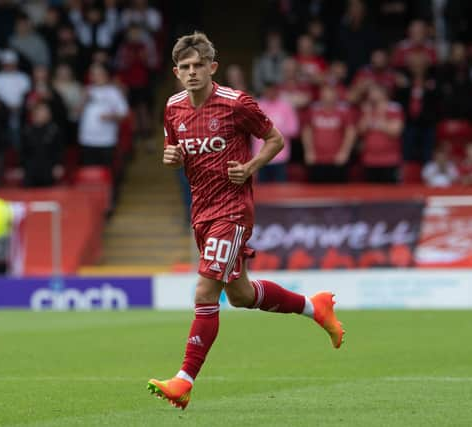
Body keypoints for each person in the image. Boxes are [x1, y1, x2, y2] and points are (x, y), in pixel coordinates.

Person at [147, 31, 344, 410]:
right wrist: (171, 157)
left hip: (233, 210)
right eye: (184, 67)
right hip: (201, 211)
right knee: (240, 295)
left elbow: (275, 139)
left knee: (206, 293)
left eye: (198, 66)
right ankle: (314, 307)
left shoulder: (236, 104)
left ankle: (183, 380)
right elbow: (174, 148)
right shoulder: (173, 108)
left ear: (212, 67)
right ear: (176, 71)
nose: (191, 73)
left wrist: (251, 166)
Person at [302, 84, 356, 183]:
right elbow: (307, 131)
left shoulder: (343, 111)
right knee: (316, 192)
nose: (327, 98)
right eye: (325, 95)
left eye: (330, 95)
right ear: (321, 96)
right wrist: (309, 151)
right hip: (317, 158)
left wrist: (345, 152)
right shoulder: (313, 110)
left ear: (335, 96)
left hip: (337, 159)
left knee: (339, 192)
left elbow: (350, 132)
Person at [78, 63, 129, 166]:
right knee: (89, 173)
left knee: (105, 173)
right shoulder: (87, 91)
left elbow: (124, 114)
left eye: (99, 74)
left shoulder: (114, 92)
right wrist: (83, 100)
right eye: (93, 74)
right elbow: (76, 114)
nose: (96, 76)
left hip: (106, 140)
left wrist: (111, 116)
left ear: (106, 75)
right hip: (87, 140)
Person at [358, 84, 405, 183]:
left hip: (389, 160)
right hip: (370, 160)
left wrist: (381, 118)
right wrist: (367, 115)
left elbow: (395, 132)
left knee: (390, 195)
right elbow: (360, 130)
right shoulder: (367, 109)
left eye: (374, 91)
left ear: (383, 94)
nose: (371, 94)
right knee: (370, 194)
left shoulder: (394, 108)